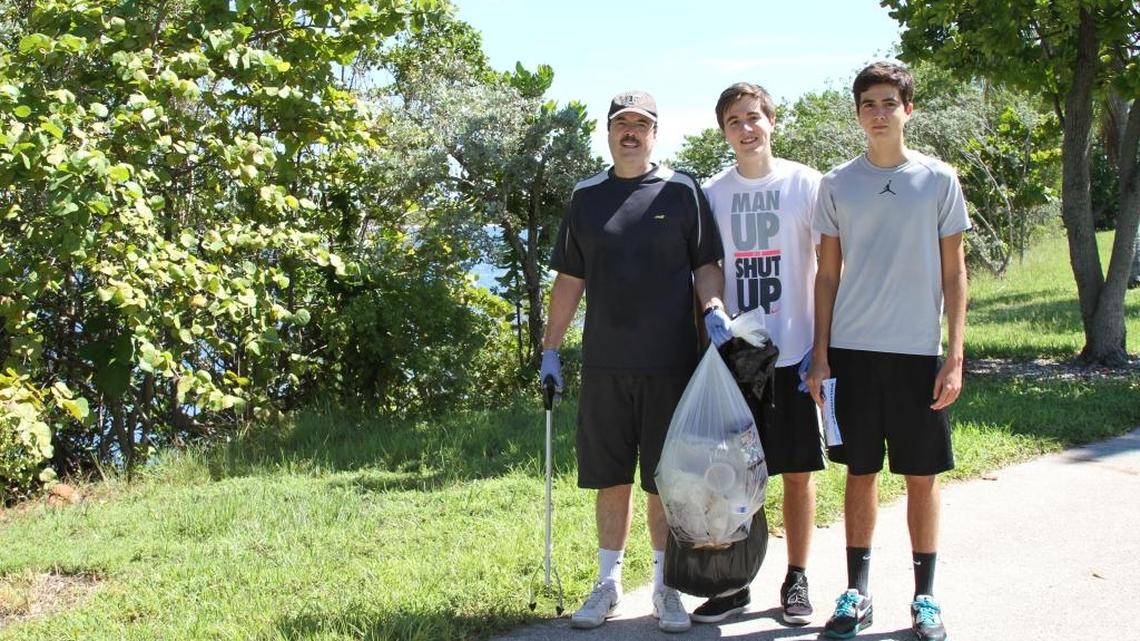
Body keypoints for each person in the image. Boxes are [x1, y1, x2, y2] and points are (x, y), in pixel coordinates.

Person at [539, 90, 726, 633]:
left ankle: (666, 588)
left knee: (664, 481)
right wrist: (551, 348)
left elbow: (706, 265)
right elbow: (569, 279)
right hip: (604, 363)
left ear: (654, 132)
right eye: (622, 122)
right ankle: (607, 583)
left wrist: (713, 307)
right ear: (609, 131)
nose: (631, 132)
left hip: (671, 363)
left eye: (641, 124)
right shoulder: (587, 197)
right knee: (610, 476)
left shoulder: (682, 189)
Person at [806, 62, 969, 641]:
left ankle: (925, 599)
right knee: (860, 472)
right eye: (869, 104)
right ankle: (857, 592)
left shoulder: (939, 180)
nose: (879, 113)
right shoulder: (836, 184)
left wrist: (954, 355)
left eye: (889, 103)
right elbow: (826, 277)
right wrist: (820, 356)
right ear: (857, 113)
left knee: (921, 477)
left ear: (907, 110)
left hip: (917, 353)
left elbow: (955, 271)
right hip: (851, 352)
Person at [692, 82, 824, 626]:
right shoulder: (712, 192)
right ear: (723, 132)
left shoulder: (806, 184)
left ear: (772, 121)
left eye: (753, 118)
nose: (746, 129)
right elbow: (707, 265)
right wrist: (713, 307)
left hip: (794, 351)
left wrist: (825, 346)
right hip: (739, 352)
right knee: (734, 473)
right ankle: (735, 581)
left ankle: (796, 578)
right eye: (733, 122)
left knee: (796, 471)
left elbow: (831, 268)